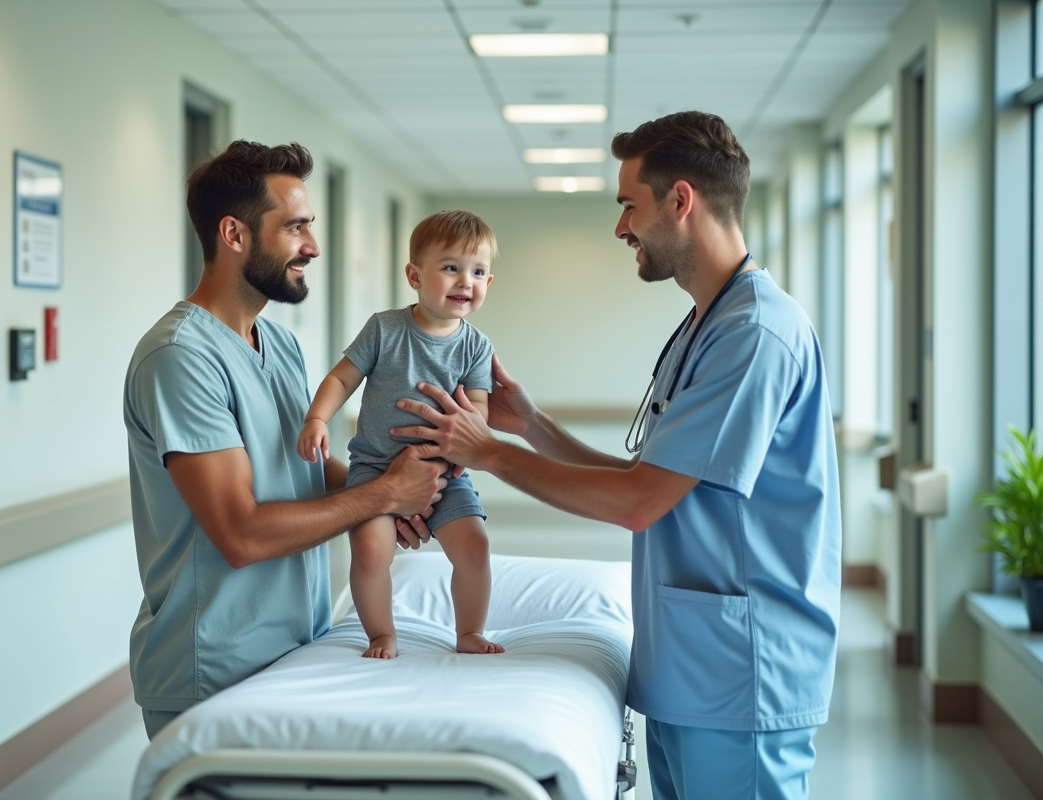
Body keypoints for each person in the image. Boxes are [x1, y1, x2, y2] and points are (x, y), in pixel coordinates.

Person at [393, 112, 841, 800]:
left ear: (681, 201)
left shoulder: (754, 334)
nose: (621, 227)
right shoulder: (709, 321)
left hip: (743, 671)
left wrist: (489, 455)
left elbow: (637, 505)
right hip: (690, 665)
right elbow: (643, 478)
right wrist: (530, 426)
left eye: (629, 205)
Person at [123, 140, 446, 740]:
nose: (313, 247)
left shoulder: (281, 346)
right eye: (295, 227)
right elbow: (240, 533)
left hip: (294, 651)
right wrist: (380, 499)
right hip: (213, 672)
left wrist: (399, 494)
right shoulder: (181, 357)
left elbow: (305, 471)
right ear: (234, 234)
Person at [297, 210, 503, 659]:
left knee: (475, 546)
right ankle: (381, 633)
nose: (465, 281)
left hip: (446, 474)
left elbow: (480, 409)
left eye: (478, 272)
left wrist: (466, 446)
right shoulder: (385, 329)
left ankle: (469, 630)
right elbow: (342, 379)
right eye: (451, 268)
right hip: (373, 470)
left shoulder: (476, 347)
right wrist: (317, 419)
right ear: (414, 275)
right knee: (371, 552)